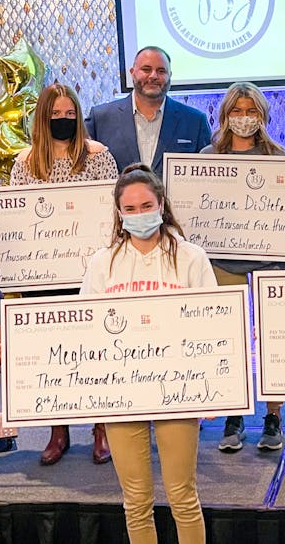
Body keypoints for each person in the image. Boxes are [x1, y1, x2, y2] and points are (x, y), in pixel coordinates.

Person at [80, 164, 214, 544]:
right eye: (130, 209)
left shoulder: (191, 258)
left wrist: (215, 390)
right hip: (122, 393)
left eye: (146, 206)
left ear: (161, 205)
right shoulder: (101, 263)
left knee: (183, 496)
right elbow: (85, 330)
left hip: (179, 389)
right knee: (136, 501)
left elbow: (212, 324)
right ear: (119, 213)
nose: (139, 214)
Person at [10, 82, 119, 465]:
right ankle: (59, 430)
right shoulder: (25, 163)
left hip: (90, 272)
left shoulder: (98, 156)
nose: (63, 120)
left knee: (98, 349)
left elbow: (112, 211)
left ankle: (102, 427)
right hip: (42, 277)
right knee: (51, 351)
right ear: (43, 117)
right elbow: (17, 218)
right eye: (56, 114)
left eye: (70, 114)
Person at [200, 82, 285, 452]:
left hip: (270, 261)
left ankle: (273, 416)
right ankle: (234, 415)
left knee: (274, 338)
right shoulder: (207, 157)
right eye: (237, 111)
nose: (244, 118)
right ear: (225, 115)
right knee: (229, 338)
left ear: (262, 116)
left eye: (251, 111)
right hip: (223, 260)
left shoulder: (280, 157)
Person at [85, 46, 211, 176]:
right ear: (132, 72)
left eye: (161, 71)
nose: (153, 76)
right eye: (146, 69)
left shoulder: (195, 122)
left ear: (170, 76)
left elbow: (207, 176)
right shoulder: (100, 119)